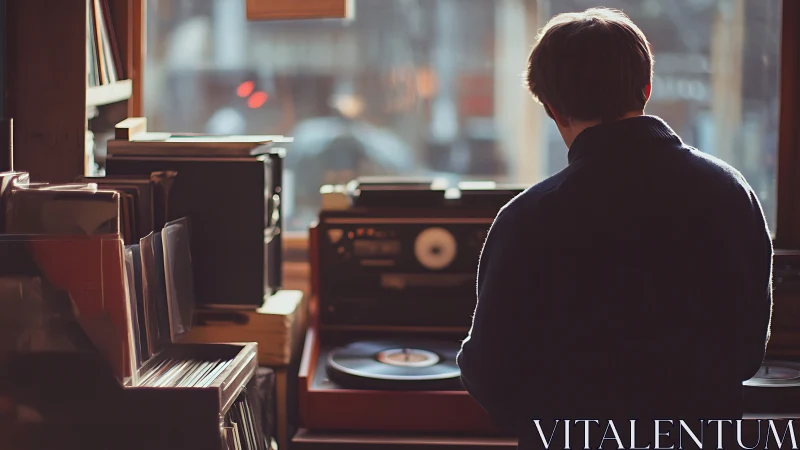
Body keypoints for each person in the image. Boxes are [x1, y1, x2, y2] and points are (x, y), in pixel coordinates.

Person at [457, 7, 773, 447]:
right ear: (645, 89)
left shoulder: (528, 217)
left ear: (553, 109)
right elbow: (746, 353)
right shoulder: (731, 192)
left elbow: (492, 374)